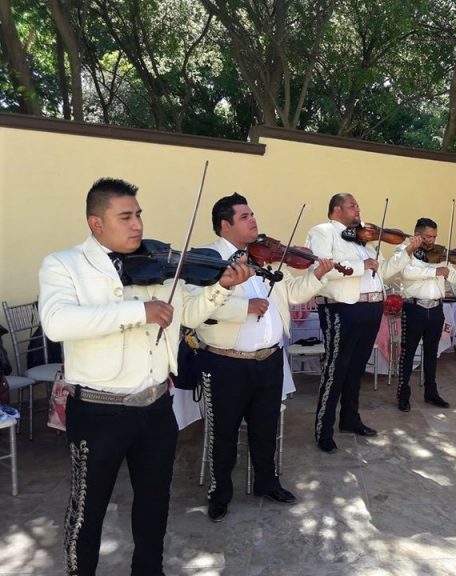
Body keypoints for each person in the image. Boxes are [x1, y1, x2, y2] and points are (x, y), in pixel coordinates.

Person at [38, 178, 253, 576]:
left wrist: (220, 288)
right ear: (96, 223)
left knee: (154, 503)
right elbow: (56, 322)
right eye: (125, 216)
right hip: (99, 411)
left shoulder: (158, 261)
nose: (137, 225)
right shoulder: (64, 264)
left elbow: (188, 313)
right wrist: (139, 312)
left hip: (155, 407)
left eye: (138, 214)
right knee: (88, 509)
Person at [192, 193, 335, 521]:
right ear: (225, 225)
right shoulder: (207, 258)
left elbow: (293, 295)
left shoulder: (265, 258)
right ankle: (220, 492)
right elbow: (197, 307)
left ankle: (266, 482)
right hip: (226, 362)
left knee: (265, 427)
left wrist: (317, 275)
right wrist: (243, 307)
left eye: (253, 213)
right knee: (224, 431)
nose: (253, 220)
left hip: (269, 359)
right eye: (245, 216)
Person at [307, 193, 421, 453]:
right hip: (341, 308)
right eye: (352, 205)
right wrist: (360, 265)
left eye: (358, 204)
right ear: (336, 210)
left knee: (356, 369)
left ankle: (350, 418)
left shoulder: (364, 240)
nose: (358, 209)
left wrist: (407, 250)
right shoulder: (323, 231)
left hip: (371, 308)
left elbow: (385, 270)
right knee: (336, 369)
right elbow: (321, 265)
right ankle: (323, 429)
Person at [396, 218, 456, 412]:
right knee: (408, 353)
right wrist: (435, 271)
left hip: (436, 309)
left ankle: (431, 392)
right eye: (427, 237)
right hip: (414, 308)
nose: (432, 241)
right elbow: (407, 272)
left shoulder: (441, 255)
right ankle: (403, 393)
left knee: (431, 352)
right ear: (417, 234)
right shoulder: (405, 251)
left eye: (434, 237)